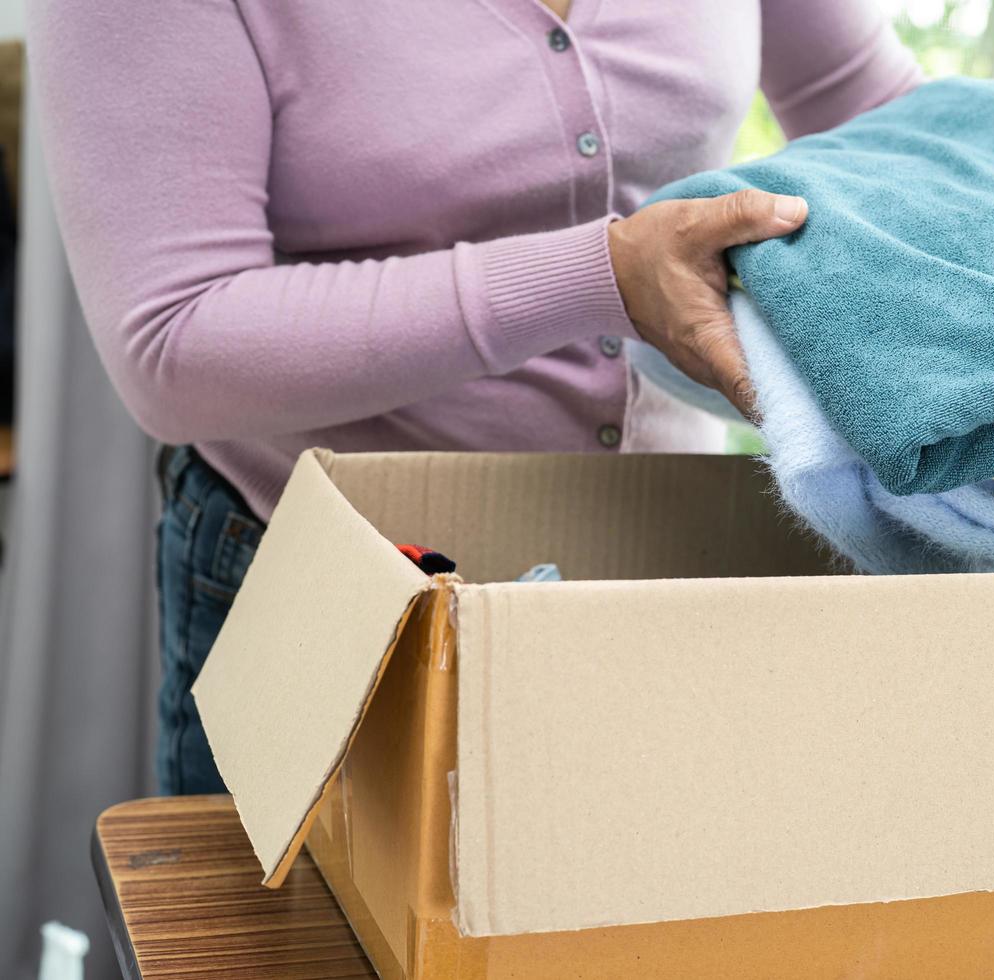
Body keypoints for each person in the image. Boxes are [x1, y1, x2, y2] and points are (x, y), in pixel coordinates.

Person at [28, 0, 922, 795]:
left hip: (657, 565)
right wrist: (600, 274)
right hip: (338, 590)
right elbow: (174, 344)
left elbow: (890, 122)